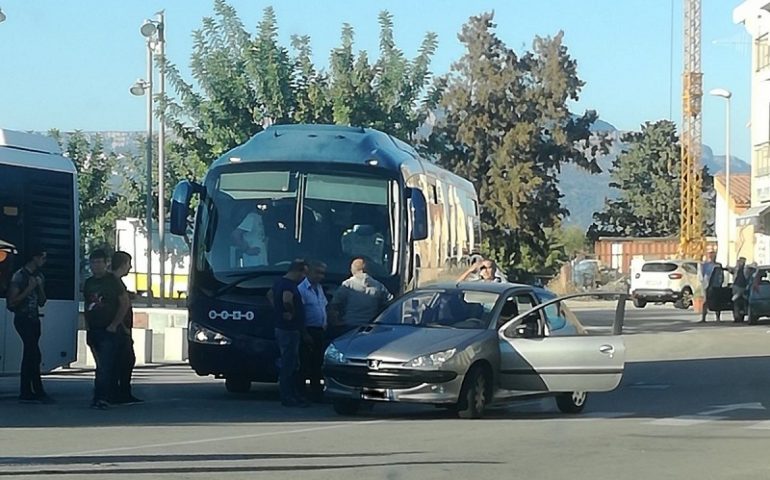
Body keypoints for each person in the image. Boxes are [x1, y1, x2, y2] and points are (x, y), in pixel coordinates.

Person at [83, 249, 128, 410]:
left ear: (106, 263)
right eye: (93, 263)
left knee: (105, 365)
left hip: (108, 330)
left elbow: (124, 303)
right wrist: (87, 327)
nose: (96, 266)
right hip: (93, 329)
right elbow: (87, 306)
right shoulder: (88, 283)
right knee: (100, 365)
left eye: (99, 262)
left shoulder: (113, 281)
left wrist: (114, 324)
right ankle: (101, 395)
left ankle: (101, 397)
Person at [7, 245, 51, 404]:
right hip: (22, 318)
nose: (44, 261)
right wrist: (29, 288)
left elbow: (42, 301)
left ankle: (32, 391)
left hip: (34, 319)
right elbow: (12, 302)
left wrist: (39, 288)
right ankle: (31, 391)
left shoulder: (39, 275)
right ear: (35, 257)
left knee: (33, 354)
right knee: (32, 352)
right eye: (43, 257)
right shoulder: (19, 276)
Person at [269, 259, 310, 407]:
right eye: (304, 273)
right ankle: (288, 396)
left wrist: (277, 310)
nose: (304, 277)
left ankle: (291, 394)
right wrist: (289, 312)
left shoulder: (279, 282)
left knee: (290, 362)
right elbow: (287, 299)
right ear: (298, 271)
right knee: (289, 363)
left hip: (282, 327)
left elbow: (270, 295)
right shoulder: (289, 285)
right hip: (289, 329)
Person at [109, 251, 142, 405]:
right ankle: (121, 393)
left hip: (120, 329)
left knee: (122, 361)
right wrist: (122, 326)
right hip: (120, 330)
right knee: (125, 360)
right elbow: (117, 306)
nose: (130, 267)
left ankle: (119, 392)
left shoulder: (115, 282)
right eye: (128, 263)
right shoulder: (114, 282)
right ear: (122, 264)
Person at [330, 258, 393, 338]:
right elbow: (390, 302)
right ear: (368, 269)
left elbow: (335, 304)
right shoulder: (378, 285)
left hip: (350, 326)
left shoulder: (348, 285)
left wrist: (336, 321)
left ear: (353, 269)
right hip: (370, 327)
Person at [297, 260, 328, 402]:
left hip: (320, 331)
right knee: (305, 363)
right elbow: (299, 313)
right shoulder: (301, 289)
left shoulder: (319, 288)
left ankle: (317, 392)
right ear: (308, 272)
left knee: (317, 363)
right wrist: (304, 333)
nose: (320, 276)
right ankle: (301, 393)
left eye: (322, 273)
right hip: (307, 331)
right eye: (317, 272)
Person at [700, 251, 723, 323]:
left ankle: (718, 318)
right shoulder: (705, 265)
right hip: (707, 285)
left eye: (714, 256)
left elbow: (721, 274)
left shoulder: (718, 265)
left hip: (717, 285)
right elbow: (703, 274)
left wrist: (721, 282)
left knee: (717, 301)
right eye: (711, 256)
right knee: (706, 301)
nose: (713, 257)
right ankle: (703, 317)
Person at [728, 257, 749, 323]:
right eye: (740, 262)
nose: (741, 263)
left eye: (743, 262)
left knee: (744, 301)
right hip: (736, 287)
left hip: (744, 287)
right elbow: (731, 271)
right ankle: (737, 316)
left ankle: (742, 313)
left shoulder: (746, 269)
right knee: (735, 302)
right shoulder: (736, 269)